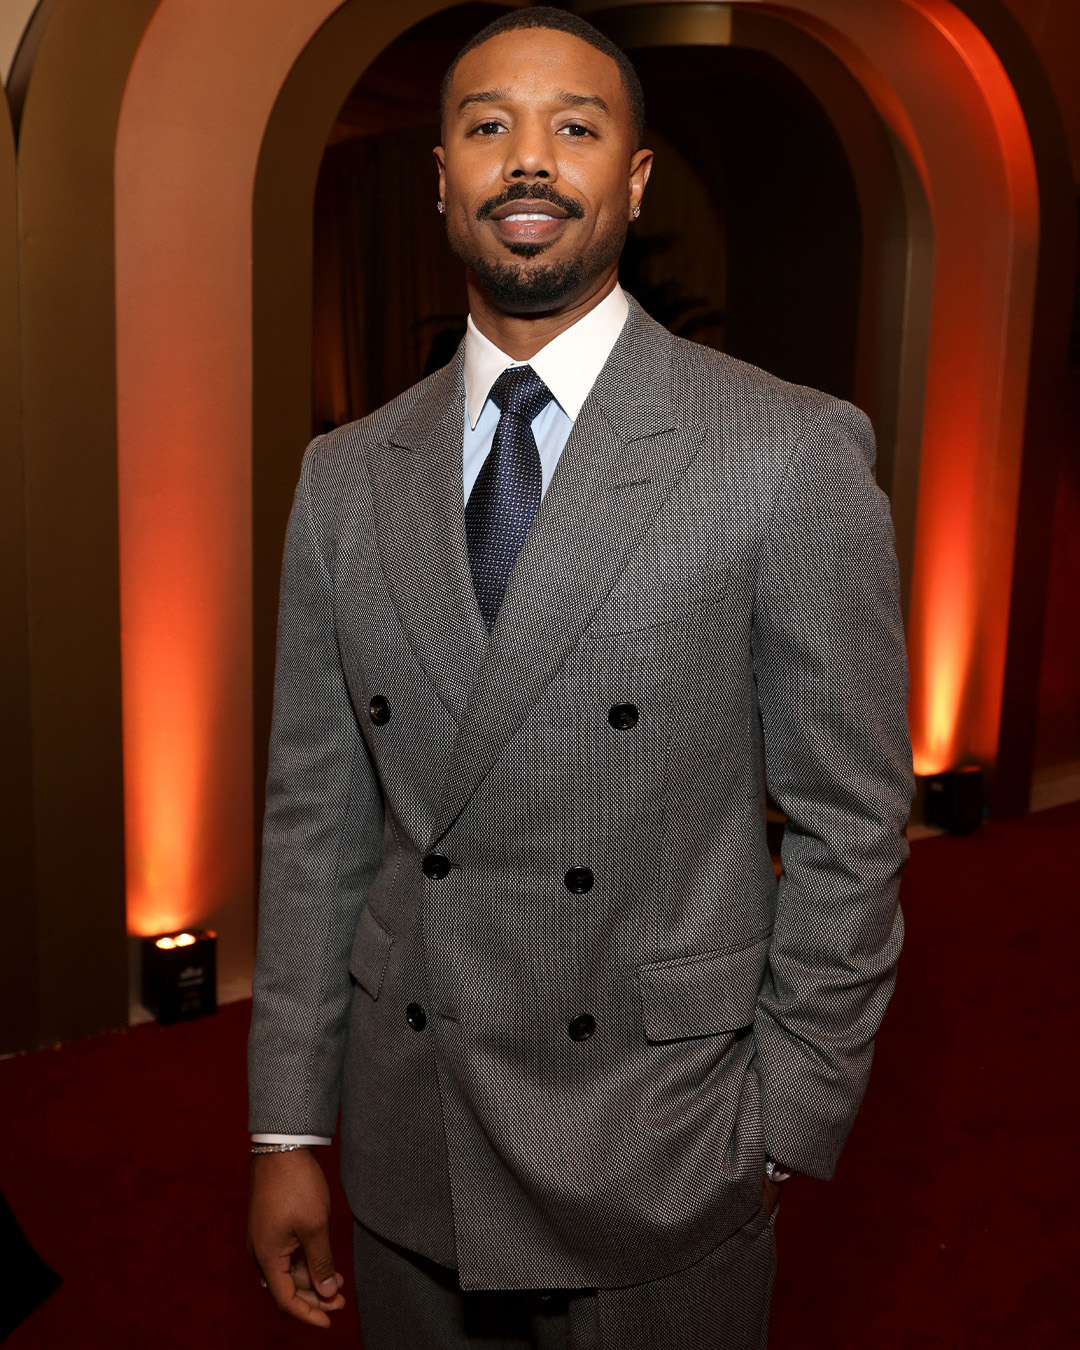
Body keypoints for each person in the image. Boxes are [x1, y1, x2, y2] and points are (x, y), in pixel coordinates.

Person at [246, 8, 914, 1347]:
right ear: (441, 175)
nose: (529, 159)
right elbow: (318, 827)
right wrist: (286, 1124)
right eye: (489, 125)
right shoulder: (342, 477)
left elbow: (853, 817)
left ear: (637, 177)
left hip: (659, 1142)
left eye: (576, 125)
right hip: (409, 1123)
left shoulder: (785, 451)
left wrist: (786, 1111)